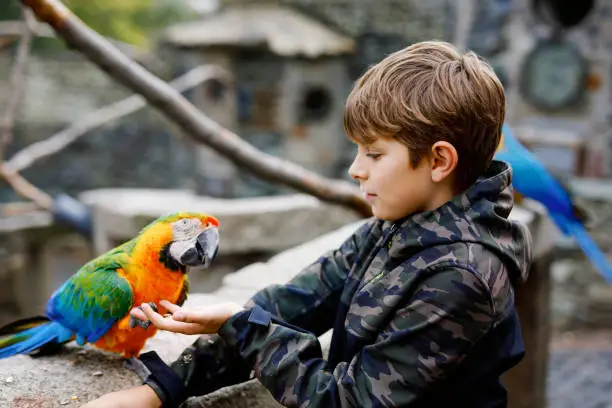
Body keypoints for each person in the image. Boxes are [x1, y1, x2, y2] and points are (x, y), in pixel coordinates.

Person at [83, 40, 532, 408]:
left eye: (374, 154)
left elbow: (346, 400)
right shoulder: (396, 227)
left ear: (439, 161)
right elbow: (292, 305)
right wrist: (160, 389)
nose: (356, 170)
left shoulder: (461, 276)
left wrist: (242, 325)